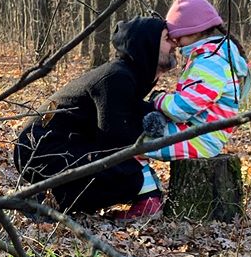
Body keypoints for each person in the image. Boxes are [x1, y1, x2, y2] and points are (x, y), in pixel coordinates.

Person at [14, 16, 175, 217]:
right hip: (40, 150)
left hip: (65, 147)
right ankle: (50, 200)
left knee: (128, 169)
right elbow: (117, 142)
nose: (174, 43)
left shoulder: (129, 76)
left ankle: (53, 197)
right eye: (167, 38)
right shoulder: (116, 77)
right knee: (128, 174)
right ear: (147, 43)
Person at [144, 0, 251, 162]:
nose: (175, 42)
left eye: (177, 36)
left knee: (130, 147)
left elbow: (183, 109)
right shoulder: (209, 57)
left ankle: (149, 189)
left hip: (200, 139)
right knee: (131, 140)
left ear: (194, 31)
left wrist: (159, 99)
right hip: (195, 131)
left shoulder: (211, 62)